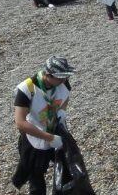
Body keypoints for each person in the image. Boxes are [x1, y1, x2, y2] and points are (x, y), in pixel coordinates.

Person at [12, 56, 75, 195]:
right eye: (60, 77)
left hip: (55, 128)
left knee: (66, 168)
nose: (64, 80)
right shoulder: (27, 89)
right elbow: (20, 123)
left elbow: (65, 96)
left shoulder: (63, 83)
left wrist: (62, 111)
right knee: (35, 174)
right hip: (35, 136)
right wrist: (49, 138)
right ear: (48, 75)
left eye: (65, 76)